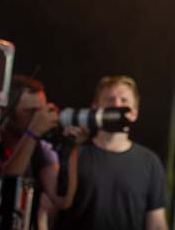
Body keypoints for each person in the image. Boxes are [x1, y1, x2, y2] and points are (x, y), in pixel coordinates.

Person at [56, 75, 168, 230]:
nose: (116, 105)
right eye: (109, 100)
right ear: (95, 108)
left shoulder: (149, 162)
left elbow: (156, 222)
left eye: (124, 100)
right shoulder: (76, 154)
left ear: (134, 114)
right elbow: (50, 208)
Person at [0, 75, 79, 230]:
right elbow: (7, 181)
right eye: (30, 111)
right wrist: (33, 131)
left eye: (41, 111)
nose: (38, 118)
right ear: (7, 112)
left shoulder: (41, 150)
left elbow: (63, 200)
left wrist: (72, 148)